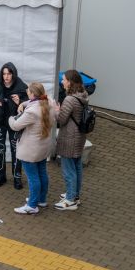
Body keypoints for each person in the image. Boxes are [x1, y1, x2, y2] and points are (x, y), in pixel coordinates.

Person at [9, 83, 55, 215]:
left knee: (33, 177)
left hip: (30, 150)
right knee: (42, 173)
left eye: (28, 92)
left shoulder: (32, 112)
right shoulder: (49, 102)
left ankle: (32, 205)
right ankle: (41, 199)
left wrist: (10, 118)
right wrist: (23, 103)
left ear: (33, 94)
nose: (27, 93)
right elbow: (33, 102)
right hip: (43, 147)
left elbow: (16, 126)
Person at [55, 70, 90, 210]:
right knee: (77, 167)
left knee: (68, 169)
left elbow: (61, 120)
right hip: (80, 136)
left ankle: (70, 200)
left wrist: (57, 110)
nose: (62, 82)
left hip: (70, 138)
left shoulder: (69, 99)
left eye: (63, 80)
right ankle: (75, 195)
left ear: (70, 82)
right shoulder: (83, 95)